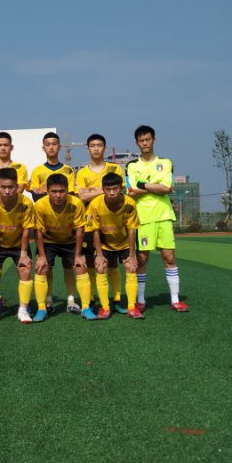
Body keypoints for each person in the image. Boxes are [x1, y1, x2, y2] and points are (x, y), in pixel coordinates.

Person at [126, 125, 189, 312]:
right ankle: (141, 300)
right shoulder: (132, 166)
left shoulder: (165, 162)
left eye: (148, 139)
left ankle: (175, 300)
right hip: (143, 218)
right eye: (141, 140)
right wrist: (155, 185)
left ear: (153, 140)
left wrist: (143, 184)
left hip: (163, 216)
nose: (145, 143)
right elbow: (131, 191)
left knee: (169, 258)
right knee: (142, 260)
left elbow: (167, 188)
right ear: (137, 143)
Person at [32, 174, 95, 321]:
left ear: (67, 190)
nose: (58, 195)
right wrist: (41, 256)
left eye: (62, 191)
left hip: (70, 241)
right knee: (42, 267)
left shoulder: (76, 203)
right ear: (47, 191)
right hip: (48, 241)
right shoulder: (40, 205)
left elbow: (80, 229)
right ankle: (42, 308)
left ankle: (85, 307)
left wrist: (78, 255)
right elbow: (38, 231)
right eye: (54, 191)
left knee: (80, 267)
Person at [29, 131, 79, 314]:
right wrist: (45, 194)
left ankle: (71, 300)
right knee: (45, 266)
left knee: (69, 265)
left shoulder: (68, 170)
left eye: (54, 143)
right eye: (48, 144)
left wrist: (44, 191)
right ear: (43, 147)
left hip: (67, 225)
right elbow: (35, 197)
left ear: (60, 146)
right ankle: (48, 301)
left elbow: (71, 195)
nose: (51, 147)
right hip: (47, 227)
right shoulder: (37, 171)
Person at [76, 133, 127, 313]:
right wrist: (102, 191)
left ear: (105, 148)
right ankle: (91, 299)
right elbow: (82, 196)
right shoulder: (82, 172)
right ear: (87, 149)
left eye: (99, 145)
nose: (96, 148)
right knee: (91, 261)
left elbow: (121, 191)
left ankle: (117, 299)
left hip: (113, 221)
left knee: (112, 262)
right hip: (91, 222)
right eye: (92, 145)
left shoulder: (115, 168)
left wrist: (93, 191)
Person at [0, 167, 35, 323]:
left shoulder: (26, 203)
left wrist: (24, 254)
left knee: (25, 269)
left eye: (11, 187)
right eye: (3, 187)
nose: (7, 191)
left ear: (17, 186)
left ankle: (23, 310)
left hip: (18, 243)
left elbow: (26, 229)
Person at [89, 173, 144, 319]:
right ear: (103, 189)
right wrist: (99, 255)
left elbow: (132, 230)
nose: (112, 192)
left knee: (131, 267)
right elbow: (95, 231)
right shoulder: (95, 204)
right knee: (101, 267)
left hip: (124, 242)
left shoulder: (130, 203)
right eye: (108, 189)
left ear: (121, 188)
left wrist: (132, 255)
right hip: (105, 244)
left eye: (115, 188)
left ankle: (131, 308)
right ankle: (105, 308)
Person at [0, 131, 29, 196]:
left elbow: (20, 189)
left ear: (11, 147)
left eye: (6, 145)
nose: (3, 148)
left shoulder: (20, 167)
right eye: (0, 145)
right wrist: (11, 188)